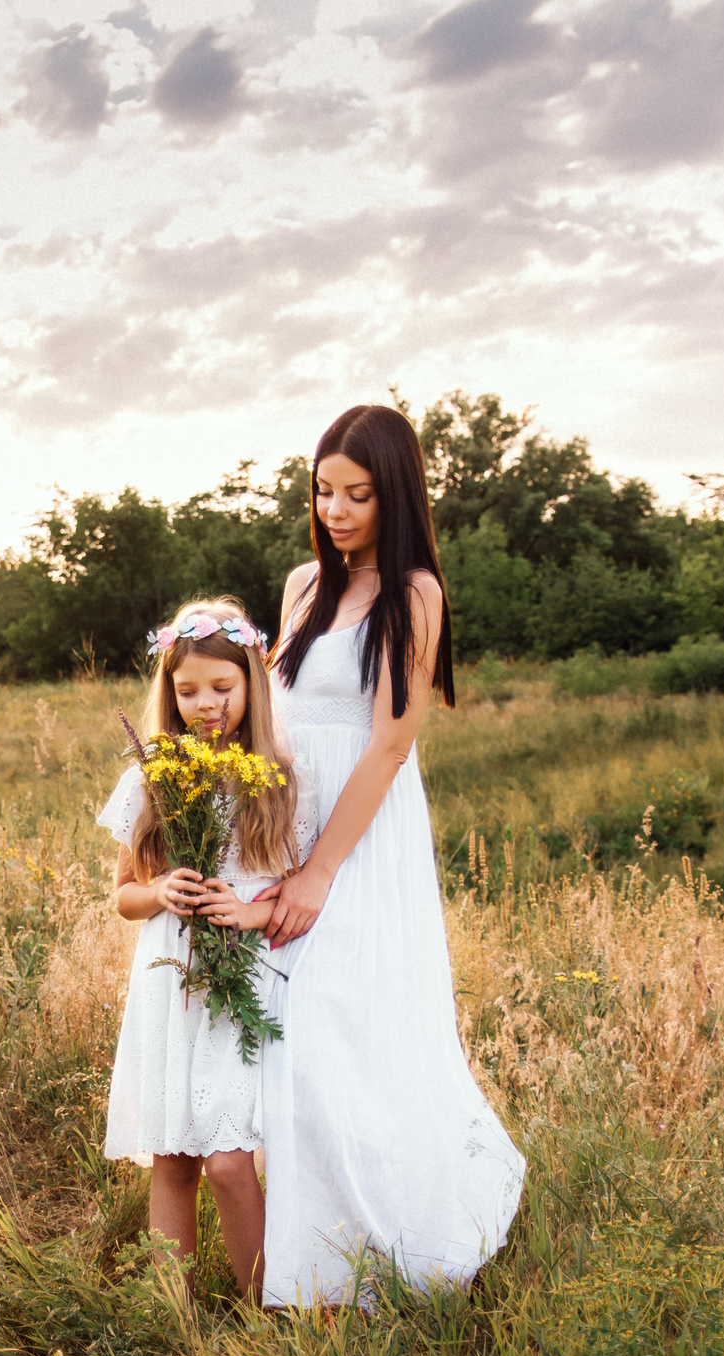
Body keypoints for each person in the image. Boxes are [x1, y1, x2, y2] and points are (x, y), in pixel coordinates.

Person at [256, 405, 524, 1308]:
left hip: (360, 838)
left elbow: (389, 745)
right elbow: (277, 716)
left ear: (394, 493)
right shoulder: (302, 584)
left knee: (345, 1024)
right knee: (289, 1035)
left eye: (357, 494)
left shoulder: (414, 594)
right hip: (289, 824)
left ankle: (385, 1241)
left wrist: (320, 869)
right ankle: (311, 1252)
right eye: (323, 491)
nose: (334, 510)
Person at [97, 597, 299, 1302]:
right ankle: (173, 1316)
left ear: (252, 685)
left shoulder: (276, 780)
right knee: (173, 1157)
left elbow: (300, 893)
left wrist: (248, 910)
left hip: (241, 985)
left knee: (230, 1162)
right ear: (169, 694)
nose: (205, 705)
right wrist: (161, 891)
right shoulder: (150, 778)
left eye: (221, 687)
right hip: (169, 982)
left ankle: (268, 1311)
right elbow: (123, 894)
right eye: (187, 691)